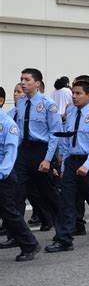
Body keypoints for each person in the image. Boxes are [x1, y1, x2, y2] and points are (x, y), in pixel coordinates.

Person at [45, 79, 89, 253]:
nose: (74, 97)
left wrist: (87, 165)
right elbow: (67, 141)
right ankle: (63, 239)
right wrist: (63, 166)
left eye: (78, 94)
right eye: (73, 93)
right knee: (66, 201)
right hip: (71, 162)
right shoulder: (70, 113)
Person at [0, 69, 61, 249]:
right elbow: (18, 131)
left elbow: (54, 133)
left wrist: (48, 159)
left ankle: (63, 235)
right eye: (21, 79)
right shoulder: (21, 104)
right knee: (16, 196)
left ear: (37, 83)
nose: (23, 83)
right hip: (23, 152)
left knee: (48, 195)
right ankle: (15, 236)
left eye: (27, 80)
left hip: (41, 152)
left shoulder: (48, 104)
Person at [0, 107, 41, 261]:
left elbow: (10, 154)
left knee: (9, 213)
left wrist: (1, 174)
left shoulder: (8, 125)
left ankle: (30, 244)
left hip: (4, 176)